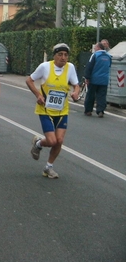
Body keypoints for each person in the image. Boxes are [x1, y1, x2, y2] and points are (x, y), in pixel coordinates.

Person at [26, 43, 80, 179]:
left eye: (66, 55)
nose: (63, 58)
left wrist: (76, 93)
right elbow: (29, 80)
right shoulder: (45, 67)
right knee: (51, 141)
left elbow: (76, 85)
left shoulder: (70, 67)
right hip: (45, 110)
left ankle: (48, 167)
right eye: (60, 54)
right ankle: (38, 143)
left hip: (62, 111)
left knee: (59, 140)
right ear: (54, 56)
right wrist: (38, 95)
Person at [84, 42, 112, 118]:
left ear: (99, 48)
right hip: (104, 80)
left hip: (94, 79)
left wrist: (87, 77)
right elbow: (109, 66)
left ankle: (88, 110)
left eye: (95, 47)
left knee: (91, 95)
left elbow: (89, 66)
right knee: (102, 96)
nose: (94, 49)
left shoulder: (95, 55)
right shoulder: (108, 56)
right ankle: (100, 111)